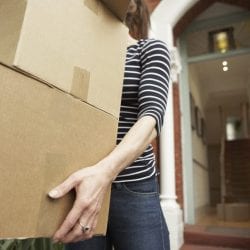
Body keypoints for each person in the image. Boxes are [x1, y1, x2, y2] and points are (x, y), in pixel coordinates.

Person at [48, 0, 171, 249]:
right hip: (81, 185)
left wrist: (103, 174)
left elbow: (151, 118)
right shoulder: (77, 55)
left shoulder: (149, 50)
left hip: (134, 186)